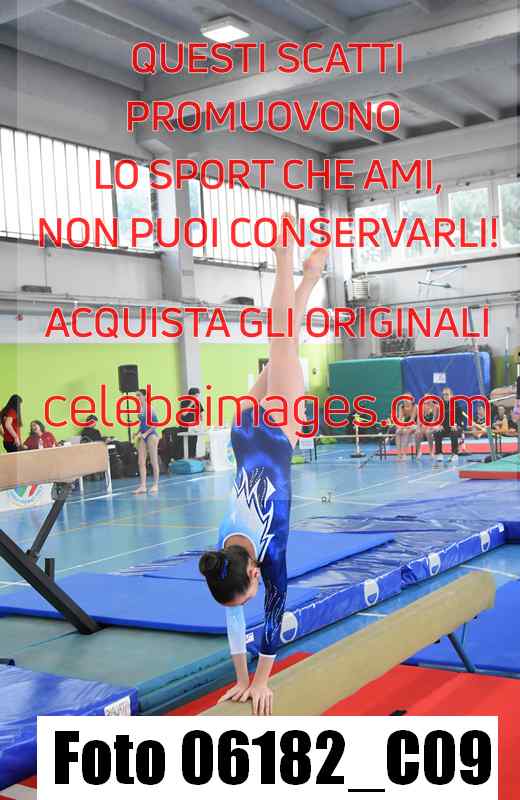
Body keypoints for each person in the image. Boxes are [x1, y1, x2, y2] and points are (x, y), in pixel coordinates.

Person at [198, 214, 327, 716]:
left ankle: (285, 258)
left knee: (282, 337)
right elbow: (237, 614)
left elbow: (273, 614)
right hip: (244, 429)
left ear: (253, 571)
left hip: (277, 431)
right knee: (285, 342)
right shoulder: (225, 554)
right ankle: (311, 276)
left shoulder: (270, 553)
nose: (252, 597)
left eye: (248, 591)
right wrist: (242, 680)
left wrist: (262, 681)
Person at [134, 388, 160, 494]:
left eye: (139, 395)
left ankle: (155, 484)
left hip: (151, 435)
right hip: (143, 435)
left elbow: (155, 424)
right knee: (141, 461)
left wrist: (145, 434)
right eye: (136, 395)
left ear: (144, 396)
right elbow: (143, 424)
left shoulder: (150, 408)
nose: (137, 397)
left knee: (153, 460)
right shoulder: (141, 408)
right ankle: (143, 486)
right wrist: (137, 432)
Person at [434, 386, 462, 463]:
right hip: (445, 427)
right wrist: (439, 425)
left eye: (447, 394)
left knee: (454, 432)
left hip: (455, 427)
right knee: (437, 432)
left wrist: (455, 424)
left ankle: (455, 454)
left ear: (451, 395)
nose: (445, 396)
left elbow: (461, 418)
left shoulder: (456, 404)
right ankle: (439, 453)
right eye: (444, 394)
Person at [179, 387, 204, 458]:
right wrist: (191, 404)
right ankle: (185, 458)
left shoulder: (197, 403)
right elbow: (184, 414)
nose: (196, 397)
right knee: (186, 444)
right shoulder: (184, 402)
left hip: (194, 426)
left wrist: (201, 420)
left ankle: (193, 457)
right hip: (185, 426)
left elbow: (201, 414)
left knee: (193, 443)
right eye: (196, 396)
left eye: (197, 396)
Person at [395, 394, 417, 460]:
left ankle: (404, 453)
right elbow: (400, 419)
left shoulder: (415, 407)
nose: (406, 400)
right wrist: (400, 426)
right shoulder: (401, 406)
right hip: (406, 425)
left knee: (406, 432)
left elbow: (412, 420)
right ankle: (399, 454)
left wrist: (404, 426)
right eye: (404, 399)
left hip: (415, 424)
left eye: (407, 399)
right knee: (398, 432)